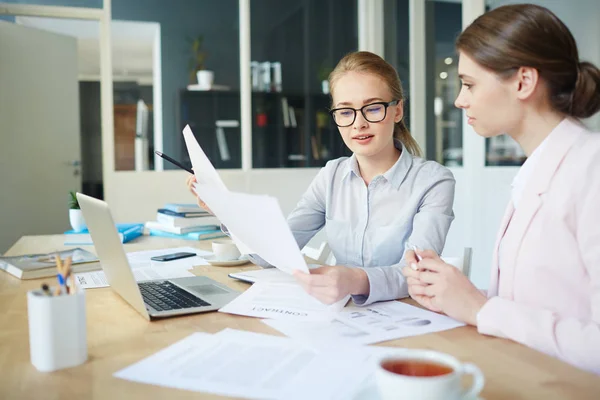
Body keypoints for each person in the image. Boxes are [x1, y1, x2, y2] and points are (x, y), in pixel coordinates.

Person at [402, 4, 600, 374]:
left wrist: (479, 308)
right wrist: (452, 293)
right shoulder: (537, 171)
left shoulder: (591, 170)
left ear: (523, 82)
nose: (460, 100)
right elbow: (531, 303)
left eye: (470, 84)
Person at [188, 51, 455, 306]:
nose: (358, 124)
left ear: (397, 111)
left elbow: (417, 274)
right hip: (342, 313)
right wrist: (224, 210)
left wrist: (355, 280)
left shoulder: (433, 182)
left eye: (372, 109)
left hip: (408, 321)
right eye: (346, 111)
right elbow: (274, 253)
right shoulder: (331, 176)